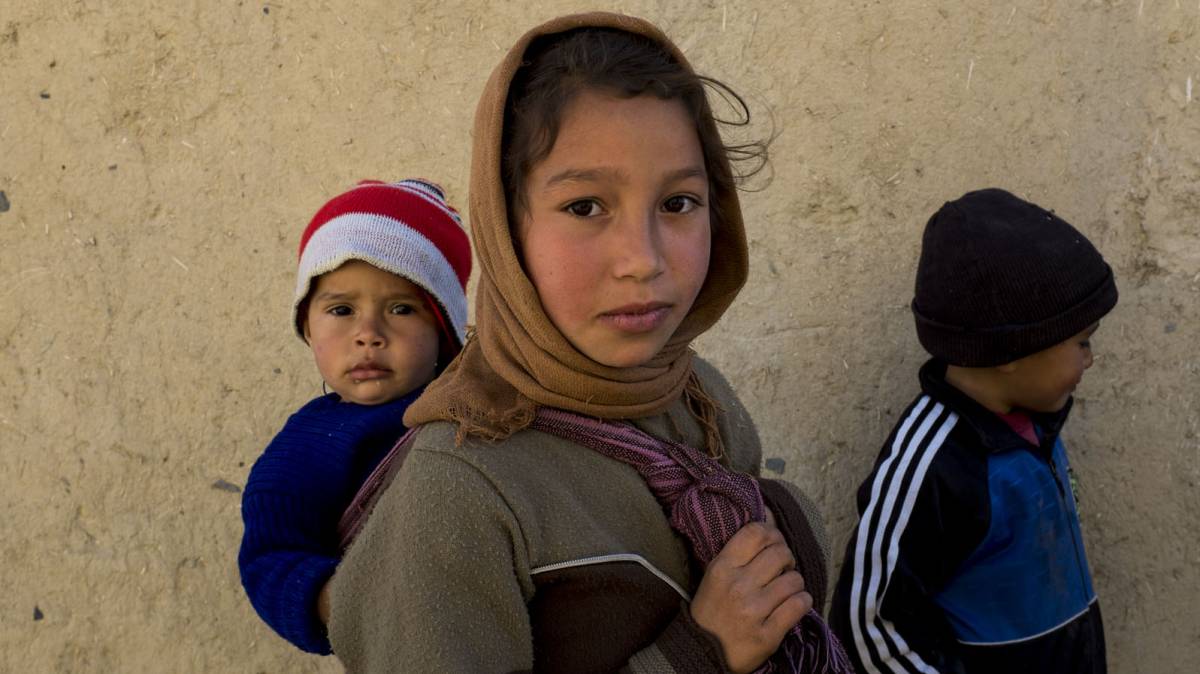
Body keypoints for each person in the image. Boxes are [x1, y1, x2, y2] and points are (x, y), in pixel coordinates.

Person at [326, 12, 849, 674]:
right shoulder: (460, 490)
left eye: (679, 203)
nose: (643, 260)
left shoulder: (698, 397)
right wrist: (698, 654)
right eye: (585, 208)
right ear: (507, 227)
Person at [829, 188, 1117, 673]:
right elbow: (869, 627)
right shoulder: (935, 464)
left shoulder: (1036, 425)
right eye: (1081, 341)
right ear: (1010, 354)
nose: (1090, 357)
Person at [238, 178, 471, 654]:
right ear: (307, 324)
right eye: (341, 309)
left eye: (402, 308)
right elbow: (271, 557)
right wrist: (335, 600)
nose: (368, 334)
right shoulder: (309, 445)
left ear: (444, 332)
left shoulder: (479, 405)